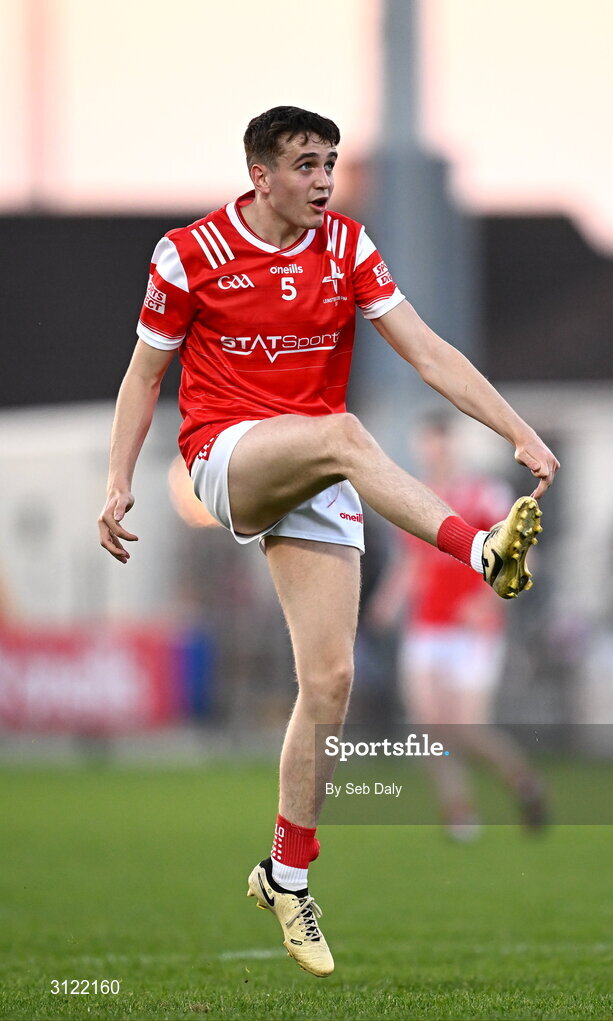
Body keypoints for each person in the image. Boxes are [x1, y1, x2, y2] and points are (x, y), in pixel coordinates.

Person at [98, 106, 559, 977]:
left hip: (314, 466)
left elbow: (426, 352)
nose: (323, 180)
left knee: (332, 687)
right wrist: (119, 481)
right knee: (344, 433)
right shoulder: (189, 253)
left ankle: (285, 874)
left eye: (332, 164)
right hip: (226, 456)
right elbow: (142, 375)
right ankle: (479, 550)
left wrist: (518, 431)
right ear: (260, 174)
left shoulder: (346, 247)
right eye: (306, 164)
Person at [368, 412, 547, 841]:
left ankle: (523, 781)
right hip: (427, 625)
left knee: (466, 729)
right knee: (429, 726)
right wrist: (389, 600)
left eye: (440, 446)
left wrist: (487, 601)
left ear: (453, 447)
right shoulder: (417, 496)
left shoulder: (484, 495)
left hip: (472, 630)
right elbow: (413, 560)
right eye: (427, 447)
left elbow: (523, 554)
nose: (433, 455)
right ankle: (459, 812)